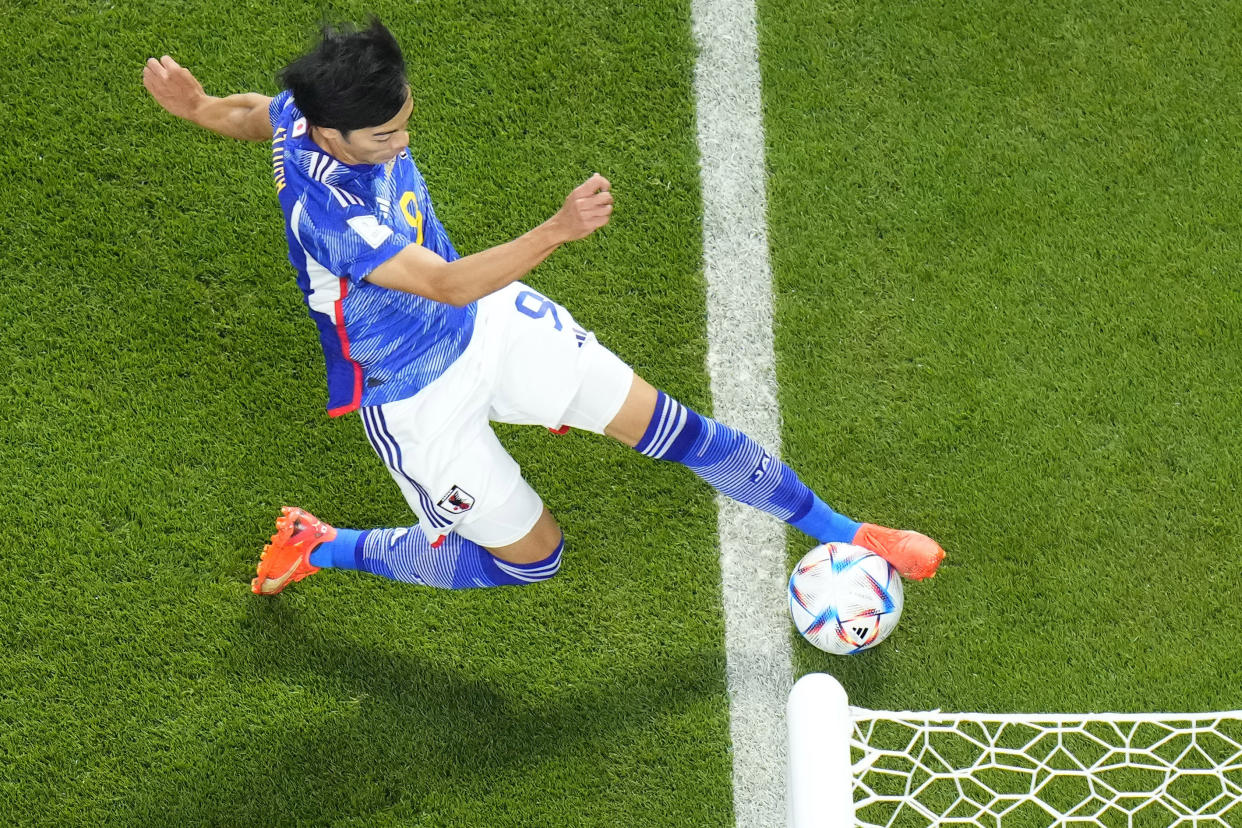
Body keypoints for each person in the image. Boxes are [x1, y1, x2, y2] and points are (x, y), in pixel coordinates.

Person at [141, 19, 944, 596]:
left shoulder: (311, 114)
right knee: (532, 561)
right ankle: (319, 546)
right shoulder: (326, 213)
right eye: (383, 137)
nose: (401, 141)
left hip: (490, 322)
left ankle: (849, 532)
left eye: (404, 120)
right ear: (332, 135)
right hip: (416, 398)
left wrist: (199, 105)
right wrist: (558, 230)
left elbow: (261, 116)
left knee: (672, 426)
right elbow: (445, 283)